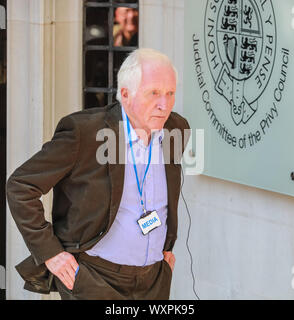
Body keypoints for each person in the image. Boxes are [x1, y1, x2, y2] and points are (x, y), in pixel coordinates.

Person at [6, 48, 190, 300]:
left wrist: (165, 247)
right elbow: (21, 186)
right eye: (154, 93)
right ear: (125, 94)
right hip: (95, 278)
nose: (164, 104)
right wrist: (50, 253)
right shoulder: (85, 132)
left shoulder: (177, 128)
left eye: (170, 93)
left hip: (154, 280)